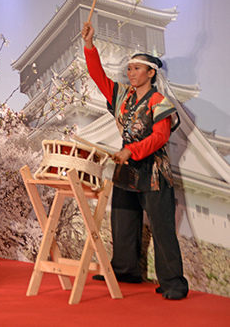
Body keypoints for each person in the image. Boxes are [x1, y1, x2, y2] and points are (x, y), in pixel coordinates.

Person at [81, 21, 188, 300]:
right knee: (123, 221)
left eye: (137, 68)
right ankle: (126, 269)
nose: (131, 73)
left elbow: (161, 137)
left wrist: (132, 150)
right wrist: (89, 46)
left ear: (151, 72)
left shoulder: (159, 101)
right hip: (126, 169)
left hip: (153, 170)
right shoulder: (122, 96)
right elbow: (98, 76)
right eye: (129, 68)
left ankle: (174, 283)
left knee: (162, 227)